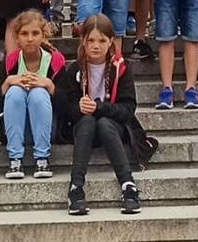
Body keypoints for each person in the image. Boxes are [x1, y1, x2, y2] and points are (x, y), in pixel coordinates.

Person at [55, 14, 145, 216]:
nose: (96, 46)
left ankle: (128, 185)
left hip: (113, 127)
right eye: (91, 40)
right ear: (83, 41)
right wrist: (79, 107)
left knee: (103, 122)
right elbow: (66, 110)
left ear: (111, 41)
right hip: (83, 128)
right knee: (87, 121)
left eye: (102, 40)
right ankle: (76, 187)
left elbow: (128, 109)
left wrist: (99, 107)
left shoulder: (121, 68)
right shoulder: (74, 69)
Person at [0, 9, 63, 180]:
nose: (30, 38)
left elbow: (67, 107)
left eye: (35, 33)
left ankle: (42, 158)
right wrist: (8, 82)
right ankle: (15, 160)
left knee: (38, 93)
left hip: (46, 130)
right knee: (15, 92)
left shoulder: (55, 61)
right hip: (15, 131)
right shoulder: (10, 62)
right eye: (24, 34)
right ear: (17, 38)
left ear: (43, 35)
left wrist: (49, 85)